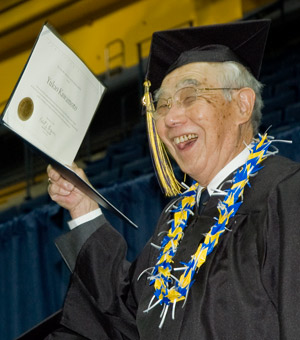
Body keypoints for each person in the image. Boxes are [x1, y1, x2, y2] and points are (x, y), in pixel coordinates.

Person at [44, 19, 300, 339]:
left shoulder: (286, 197)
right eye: (162, 104)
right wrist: (82, 206)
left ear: (242, 105)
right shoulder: (176, 222)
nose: (170, 118)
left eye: (190, 96)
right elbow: (124, 317)